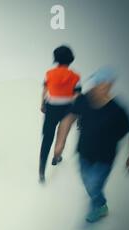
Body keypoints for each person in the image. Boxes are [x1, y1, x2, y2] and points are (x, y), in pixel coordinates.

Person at [54, 67, 129, 223]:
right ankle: (101, 204)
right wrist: (60, 143)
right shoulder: (83, 100)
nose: (96, 88)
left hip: (104, 158)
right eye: (96, 84)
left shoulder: (117, 110)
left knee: (93, 185)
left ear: (109, 86)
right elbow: (68, 119)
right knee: (89, 185)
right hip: (83, 154)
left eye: (103, 84)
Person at [39, 45, 81, 183]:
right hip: (67, 110)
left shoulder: (49, 73)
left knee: (47, 138)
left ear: (55, 58)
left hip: (51, 108)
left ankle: (41, 173)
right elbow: (77, 96)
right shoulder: (76, 76)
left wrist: (42, 104)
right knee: (61, 138)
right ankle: (56, 157)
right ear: (70, 59)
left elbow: (45, 91)